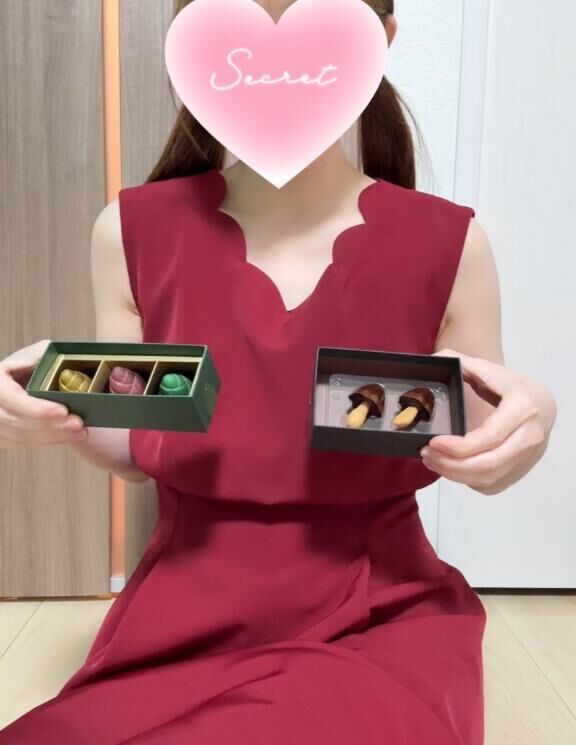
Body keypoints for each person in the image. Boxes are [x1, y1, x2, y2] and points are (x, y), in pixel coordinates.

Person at [0, 0, 557, 743]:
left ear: (381, 39)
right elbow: (134, 446)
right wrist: (51, 409)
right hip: (182, 613)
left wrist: (533, 415)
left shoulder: (451, 243)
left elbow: (480, 443)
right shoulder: (129, 229)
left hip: (379, 610)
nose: (275, 68)